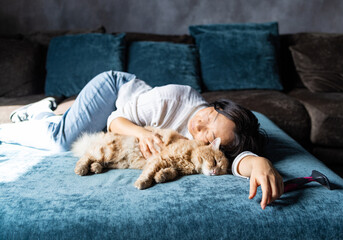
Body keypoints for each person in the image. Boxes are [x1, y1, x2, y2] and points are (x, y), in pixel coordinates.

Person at [0, 71, 283, 209]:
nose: (201, 126)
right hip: (114, 94)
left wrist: (258, 162)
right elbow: (114, 119)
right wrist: (142, 132)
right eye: (209, 116)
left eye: (211, 135)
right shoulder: (173, 97)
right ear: (214, 106)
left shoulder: (210, 144)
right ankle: (38, 119)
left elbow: (231, 163)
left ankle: (47, 110)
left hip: (124, 121)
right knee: (62, 139)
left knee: (75, 126)